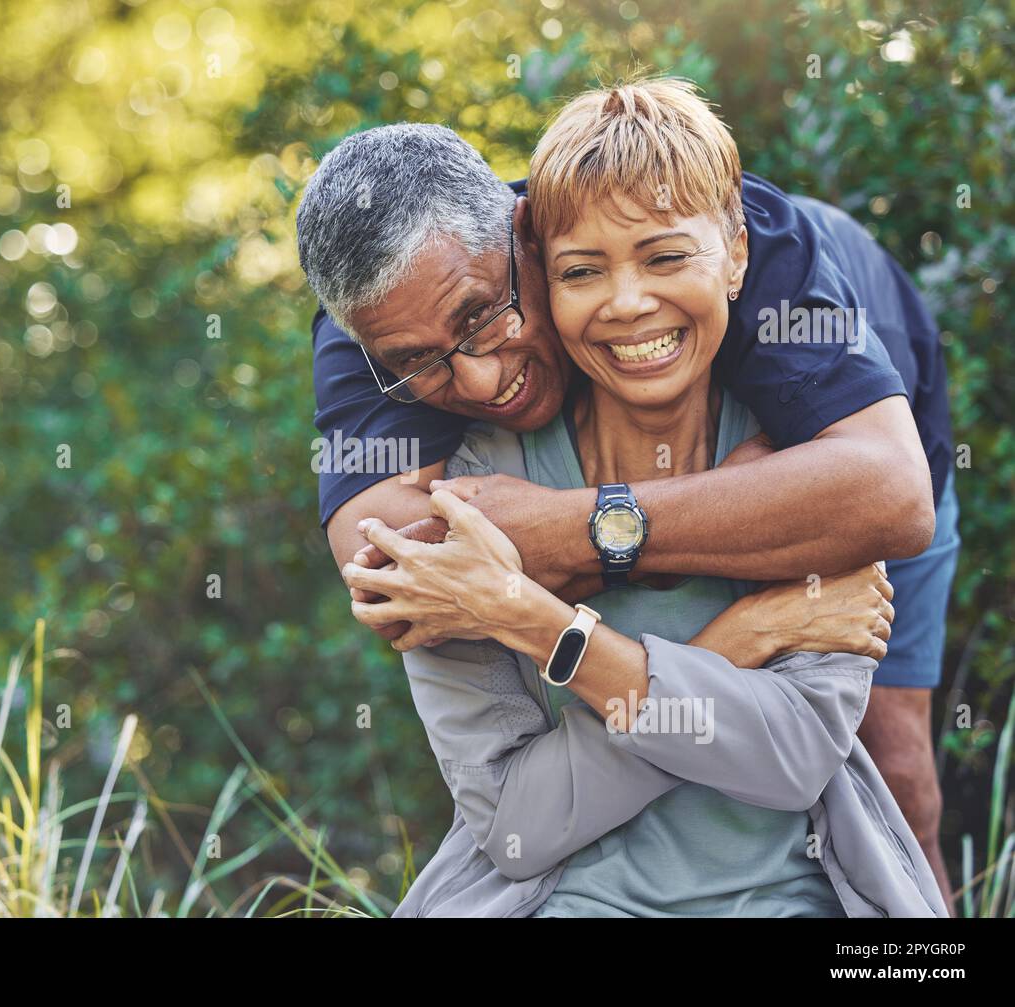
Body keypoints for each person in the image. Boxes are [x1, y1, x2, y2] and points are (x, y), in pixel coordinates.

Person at [297, 79, 958, 908]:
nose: (477, 377)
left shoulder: (755, 254)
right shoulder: (377, 321)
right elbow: (398, 584)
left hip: (885, 397)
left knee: (895, 771)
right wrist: (730, 625)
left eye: (482, 318)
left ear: (524, 237)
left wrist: (547, 561)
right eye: (420, 363)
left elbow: (887, 495)